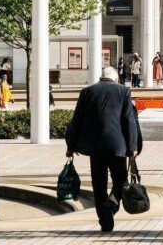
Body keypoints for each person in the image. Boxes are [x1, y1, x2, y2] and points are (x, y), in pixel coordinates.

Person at [65, 66, 141, 232]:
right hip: (118, 146)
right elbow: (129, 121)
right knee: (120, 181)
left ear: (101, 78)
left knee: (98, 185)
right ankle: (111, 204)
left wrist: (71, 146)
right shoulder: (123, 91)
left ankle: (105, 222)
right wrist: (133, 146)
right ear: (115, 79)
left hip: (95, 147)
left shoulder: (87, 92)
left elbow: (76, 120)